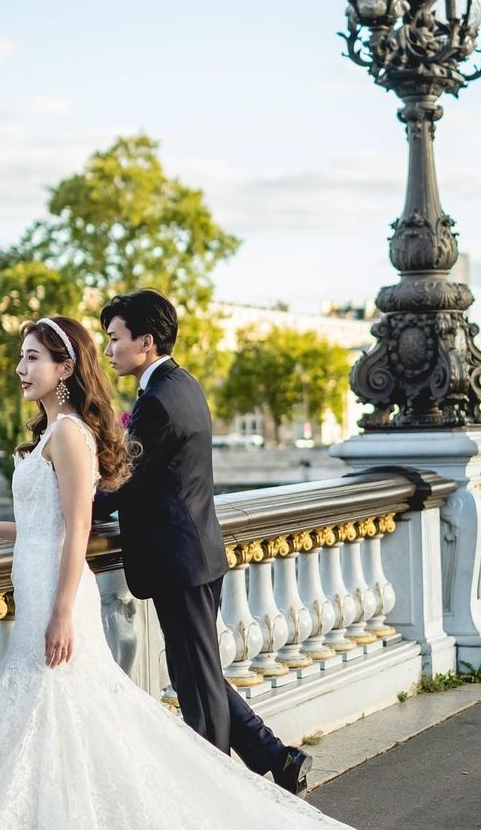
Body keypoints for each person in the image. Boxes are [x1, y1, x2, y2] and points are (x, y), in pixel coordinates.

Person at [0, 314, 351, 829]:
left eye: (32, 358)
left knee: (100, 701)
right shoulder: (51, 432)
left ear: (64, 368)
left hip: (61, 594)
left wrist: (61, 613)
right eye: (21, 357)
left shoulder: (68, 434)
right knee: (61, 706)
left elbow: (78, 526)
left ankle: (207, 790)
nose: (20, 368)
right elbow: (46, 525)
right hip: (37, 582)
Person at [95, 290, 312, 795]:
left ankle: (216, 791)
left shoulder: (158, 401)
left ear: (145, 342)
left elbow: (126, 479)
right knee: (198, 670)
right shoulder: (182, 385)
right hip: (194, 555)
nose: (108, 350)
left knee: (196, 680)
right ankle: (276, 759)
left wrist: (71, 510)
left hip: (179, 561)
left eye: (114, 338)